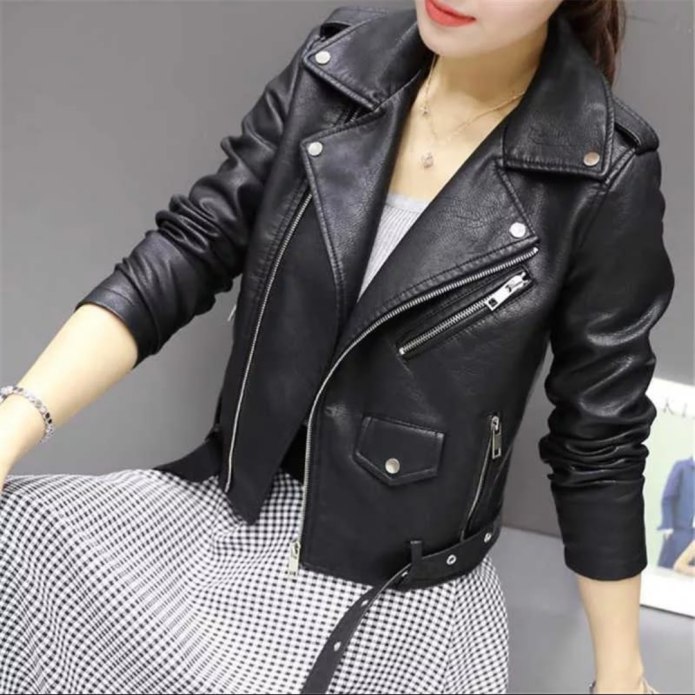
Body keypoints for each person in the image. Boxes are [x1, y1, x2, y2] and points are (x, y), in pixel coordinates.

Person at [0, 1, 671, 693]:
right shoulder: (339, 63)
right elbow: (193, 245)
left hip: (395, 579)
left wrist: (619, 674)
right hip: (236, 508)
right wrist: (13, 424)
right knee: (15, 534)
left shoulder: (602, 170)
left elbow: (599, 434)